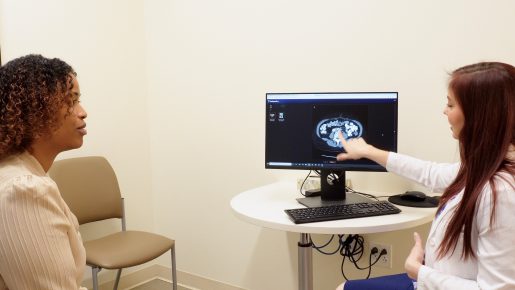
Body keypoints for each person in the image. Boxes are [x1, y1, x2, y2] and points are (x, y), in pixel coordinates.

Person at [335, 62, 515, 290]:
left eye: (450, 104)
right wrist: (369, 152)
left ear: (479, 116)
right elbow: (429, 173)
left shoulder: (501, 194)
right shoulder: (483, 169)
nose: (444, 111)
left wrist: (420, 271)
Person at [0, 54, 88, 289]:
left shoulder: (23, 173)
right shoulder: (22, 190)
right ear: (35, 112)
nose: (82, 112)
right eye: (71, 101)